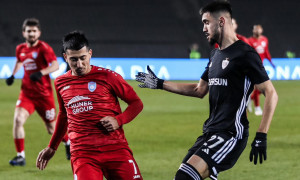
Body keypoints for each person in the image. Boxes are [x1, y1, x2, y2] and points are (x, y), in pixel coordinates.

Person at [136, 1, 278, 179]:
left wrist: (261, 135)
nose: (203, 28)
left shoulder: (245, 53)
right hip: (209, 132)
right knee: (182, 176)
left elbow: (271, 93)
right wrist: (160, 83)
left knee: (184, 177)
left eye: (206, 22)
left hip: (231, 134)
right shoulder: (215, 55)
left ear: (221, 21)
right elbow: (199, 89)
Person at [36, 31, 143, 180]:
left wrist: (118, 120)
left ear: (90, 54)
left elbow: (136, 103)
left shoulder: (108, 76)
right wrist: (52, 146)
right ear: (65, 57)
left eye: (83, 58)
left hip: (115, 149)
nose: (79, 64)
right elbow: (64, 115)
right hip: (83, 154)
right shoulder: (60, 82)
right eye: (74, 59)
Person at [5, 18, 70, 166]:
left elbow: (55, 65)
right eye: (29, 31)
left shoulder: (44, 48)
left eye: (34, 31)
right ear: (24, 33)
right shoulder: (20, 48)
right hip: (27, 94)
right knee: (18, 120)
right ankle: (20, 156)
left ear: (39, 32)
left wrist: (41, 73)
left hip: (44, 95)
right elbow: (20, 61)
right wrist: (13, 75)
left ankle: (68, 142)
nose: (32, 34)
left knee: (51, 128)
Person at [248, 24, 275, 115]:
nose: (257, 31)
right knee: (258, 87)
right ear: (253, 31)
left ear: (261, 30)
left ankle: (248, 100)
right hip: (252, 67)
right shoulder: (250, 41)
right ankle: (257, 108)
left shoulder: (264, 40)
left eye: (259, 29)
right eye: (256, 29)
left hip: (260, 66)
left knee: (260, 89)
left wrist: (271, 63)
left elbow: (266, 52)